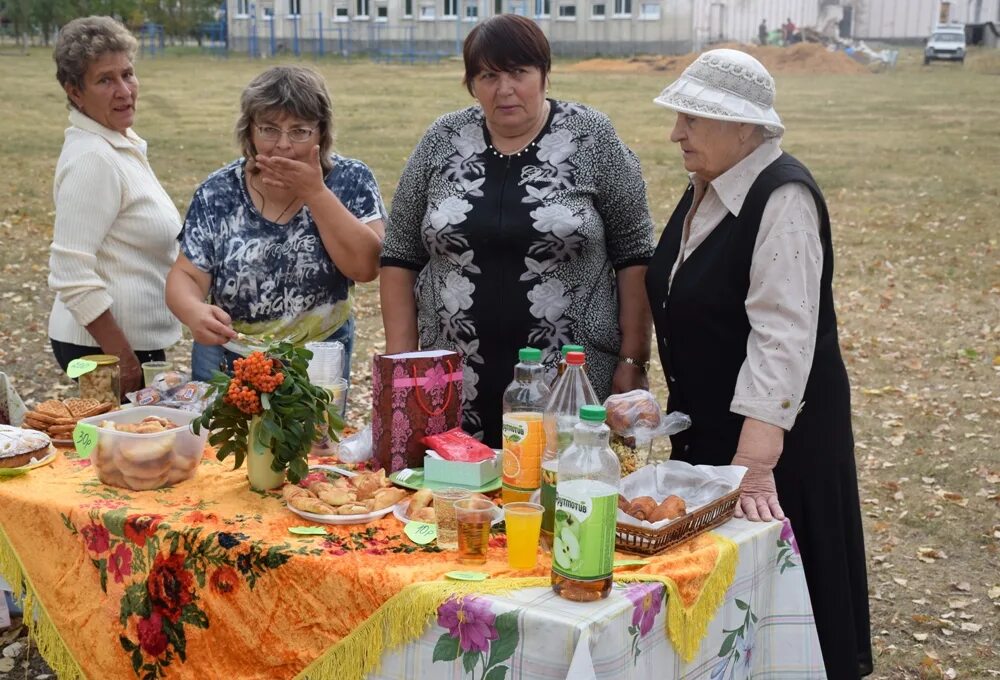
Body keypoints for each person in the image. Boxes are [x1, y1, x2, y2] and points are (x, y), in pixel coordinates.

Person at [647, 49, 872, 678]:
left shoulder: (783, 198)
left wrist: (753, 466)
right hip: (715, 435)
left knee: (792, 597)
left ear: (745, 125)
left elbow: (783, 336)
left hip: (775, 449)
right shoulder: (711, 187)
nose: (676, 133)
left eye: (693, 117)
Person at [380, 14, 654, 447]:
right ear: (472, 84)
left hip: (571, 381)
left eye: (518, 72)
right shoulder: (441, 139)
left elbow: (635, 253)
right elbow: (398, 255)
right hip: (450, 378)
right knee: (454, 504)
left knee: (559, 497)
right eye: (488, 75)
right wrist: (404, 364)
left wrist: (634, 358)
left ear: (545, 74)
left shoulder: (592, 137)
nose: (504, 89)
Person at [166, 66, 385, 387]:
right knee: (217, 440)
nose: (282, 145)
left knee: (316, 439)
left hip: (318, 358)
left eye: (299, 131)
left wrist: (315, 193)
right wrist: (192, 310)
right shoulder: (218, 192)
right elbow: (186, 275)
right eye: (269, 129)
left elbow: (366, 267)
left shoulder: (350, 180)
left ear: (321, 133)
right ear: (249, 132)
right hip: (229, 358)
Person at [48, 16, 182, 398]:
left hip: (130, 344)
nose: (124, 90)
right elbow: (70, 271)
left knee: (136, 447)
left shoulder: (120, 144)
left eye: (128, 74)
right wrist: (121, 357)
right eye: (105, 80)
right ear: (75, 92)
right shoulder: (94, 158)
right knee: (124, 449)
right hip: (103, 349)